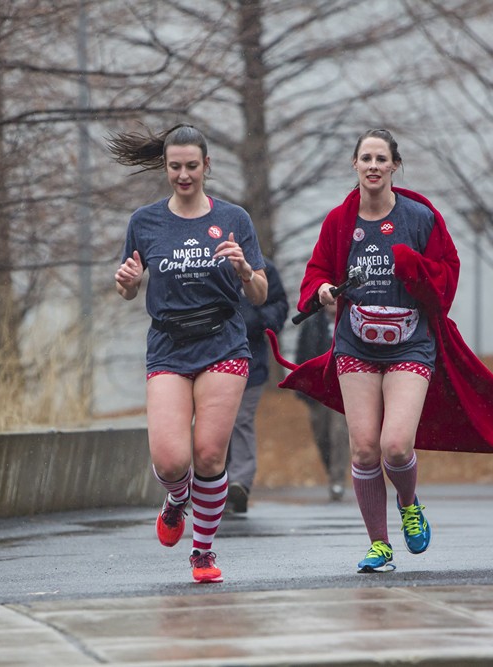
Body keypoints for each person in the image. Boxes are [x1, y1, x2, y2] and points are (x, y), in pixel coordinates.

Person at [267, 128, 493, 574]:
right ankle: (379, 546)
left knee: (394, 446)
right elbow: (316, 273)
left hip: (410, 342)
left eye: (381, 159)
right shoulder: (339, 221)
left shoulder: (419, 218)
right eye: (365, 158)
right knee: (364, 450)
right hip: (355, 344)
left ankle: (409, 504)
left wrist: (415, 270)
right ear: (354, 165)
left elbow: (447, 274)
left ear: (394, 166)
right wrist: (324, 290)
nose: (373, 166)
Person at [110, 123, 268, 583]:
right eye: (175, 167)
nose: (183, 175)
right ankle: (177, 500)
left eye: (191, 167)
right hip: (169, 346)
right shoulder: (145, 221)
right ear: (165, 167)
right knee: (171, 461)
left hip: (223, 342)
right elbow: (128, 287)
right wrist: (127, 284)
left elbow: (258, 294)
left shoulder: (235, 219)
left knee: (209, 457)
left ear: (207, 166)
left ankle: (202, 552)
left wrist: (242, 269)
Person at [225, 258, 289, 514]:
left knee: (240, 419)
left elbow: (280, 305)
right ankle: (214, 481)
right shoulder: (207, 263)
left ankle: (239, 481)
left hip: (251, 361)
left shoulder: (264, 267)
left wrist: (256, 319)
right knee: (215, 421)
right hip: (210, 357)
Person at [294, 302, 350, 502]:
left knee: (339, 434)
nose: (334, 302)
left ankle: (338, 479)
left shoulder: (349, 320)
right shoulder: (311, 324)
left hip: (343, 389)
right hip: (317, 391)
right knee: (322, 436)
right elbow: (301, 356)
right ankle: (332, 472)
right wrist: (302, 388)